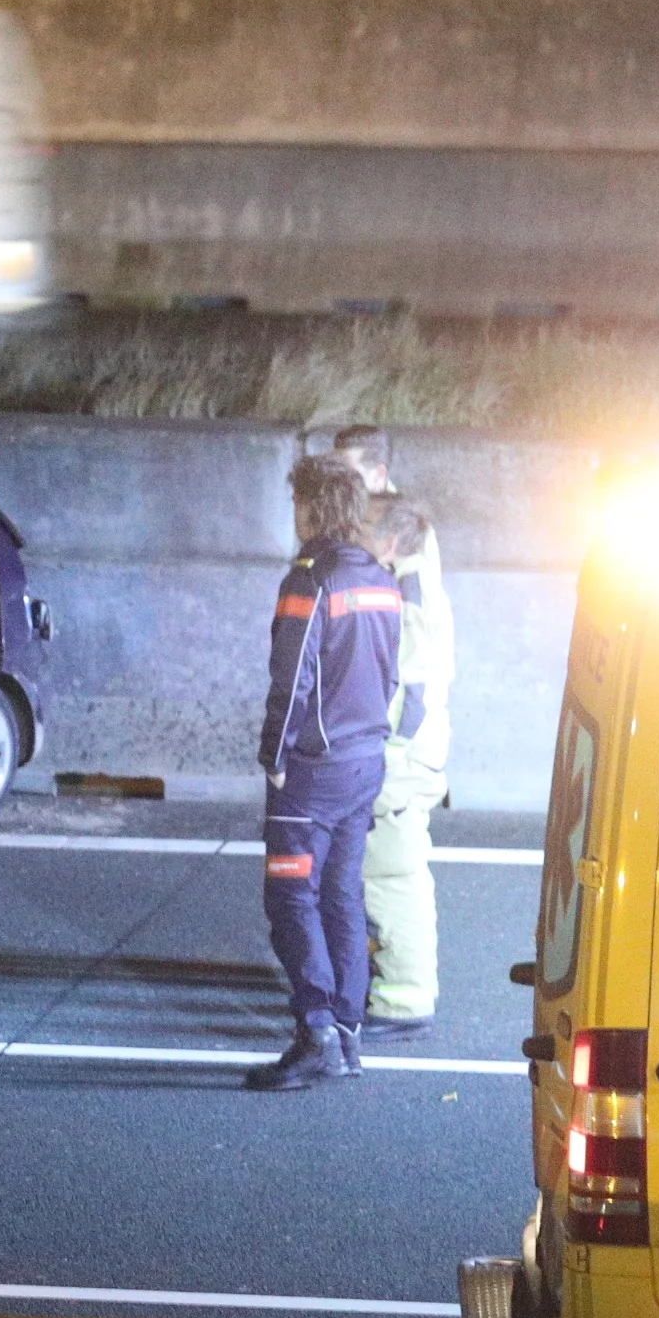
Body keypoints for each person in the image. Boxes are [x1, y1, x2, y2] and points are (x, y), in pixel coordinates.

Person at [246, 456, 405, 1092]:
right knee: (342, 896)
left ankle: (315, 1035)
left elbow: (291, 679)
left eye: (297, 505)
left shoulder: (309, 581)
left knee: (291, 897)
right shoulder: (382, 579)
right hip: (366, 762)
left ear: (312, 508)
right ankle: (347, 1034)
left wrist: (274, 756)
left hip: (312, 769)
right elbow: (393, 674)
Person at [332, 424, 453, 1041]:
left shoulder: (402, 559)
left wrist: (387, 752)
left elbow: (408, 671)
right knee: (382, 869)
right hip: (408, 745)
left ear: (378, 477)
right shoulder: (406, 540)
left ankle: (404, 1000)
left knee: (393, 874)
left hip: (402, 751)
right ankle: (386, 983)